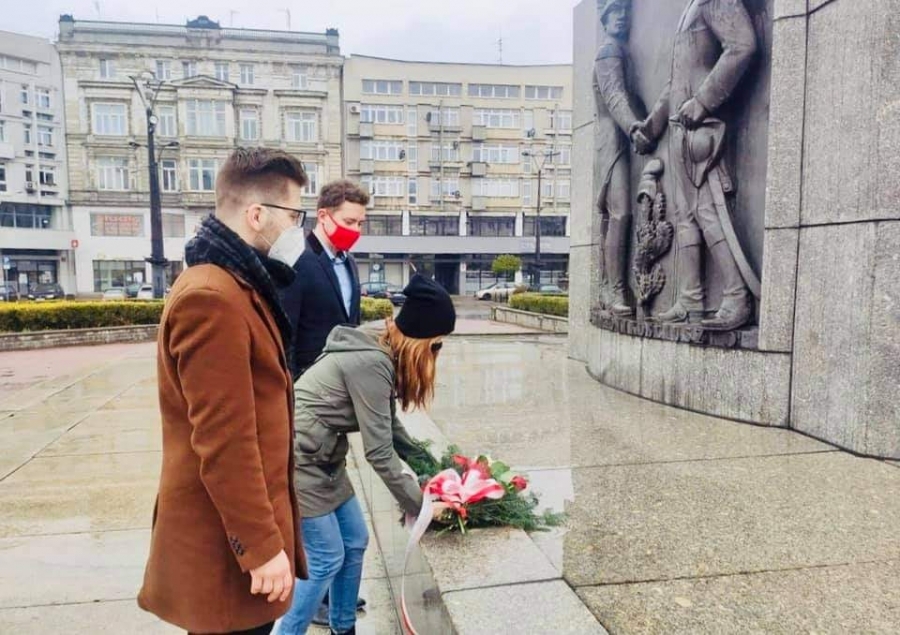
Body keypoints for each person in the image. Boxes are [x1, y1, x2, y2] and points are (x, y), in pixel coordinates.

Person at [138, 147, 311, 635]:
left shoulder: (238, 284)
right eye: (293, 215)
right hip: (223, 551)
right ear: (256, 215)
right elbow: (224, 441)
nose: (298, 229)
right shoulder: (212, 298)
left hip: (235, 538)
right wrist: (260, 548)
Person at [278, 275, 456, 635]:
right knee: (326, 559)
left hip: (324, 459)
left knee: (355, 540)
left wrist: (435, 469)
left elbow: (390, 428)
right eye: (436, 344)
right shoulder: (372, 362)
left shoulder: (382, 347)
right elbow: (379, 451)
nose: (436, 352)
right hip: (298, 462)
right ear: (420, 338)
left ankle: (343, 628)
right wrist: (421, 505)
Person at [633, 0, 759, 330]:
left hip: (701, 128)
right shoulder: (690, 8)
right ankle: (690, 299)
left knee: (707, 212)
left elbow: (742, 46)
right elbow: (676, 81)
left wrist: (703, 101)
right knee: (686, 217)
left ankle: (737, 296)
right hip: (679, 129)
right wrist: (651, 127)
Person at [280, 179, 368, 379]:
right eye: (349, 222)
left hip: (345, 380)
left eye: (360, 223)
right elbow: (286, 335)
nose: (356, 230)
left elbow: (352, 324)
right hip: (308, 382)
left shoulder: (350, 262)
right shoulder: (296, 259)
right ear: (322, 216)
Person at [592, 0, 647, 316]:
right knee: (620, 213)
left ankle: (611, 286)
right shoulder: (608, 52)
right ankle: (614, 289)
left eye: (626, 10)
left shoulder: (620, 51)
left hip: (622, 139)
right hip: (613, 141)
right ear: (604, 17)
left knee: (619, 215)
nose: (623, 16)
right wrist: (634, 127)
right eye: (615, 11)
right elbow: (614, 97)